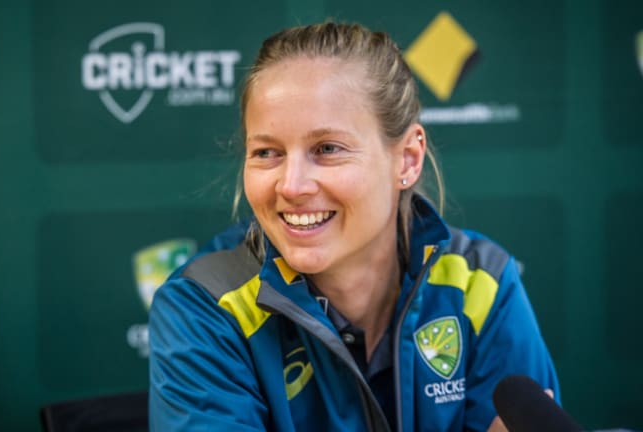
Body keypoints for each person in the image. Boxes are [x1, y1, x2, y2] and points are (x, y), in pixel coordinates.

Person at [148, 22, 560, 432]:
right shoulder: (203, 307)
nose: (291, 185)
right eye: (267, 152)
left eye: (327, 149)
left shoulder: (481, 284)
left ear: (407, 160)